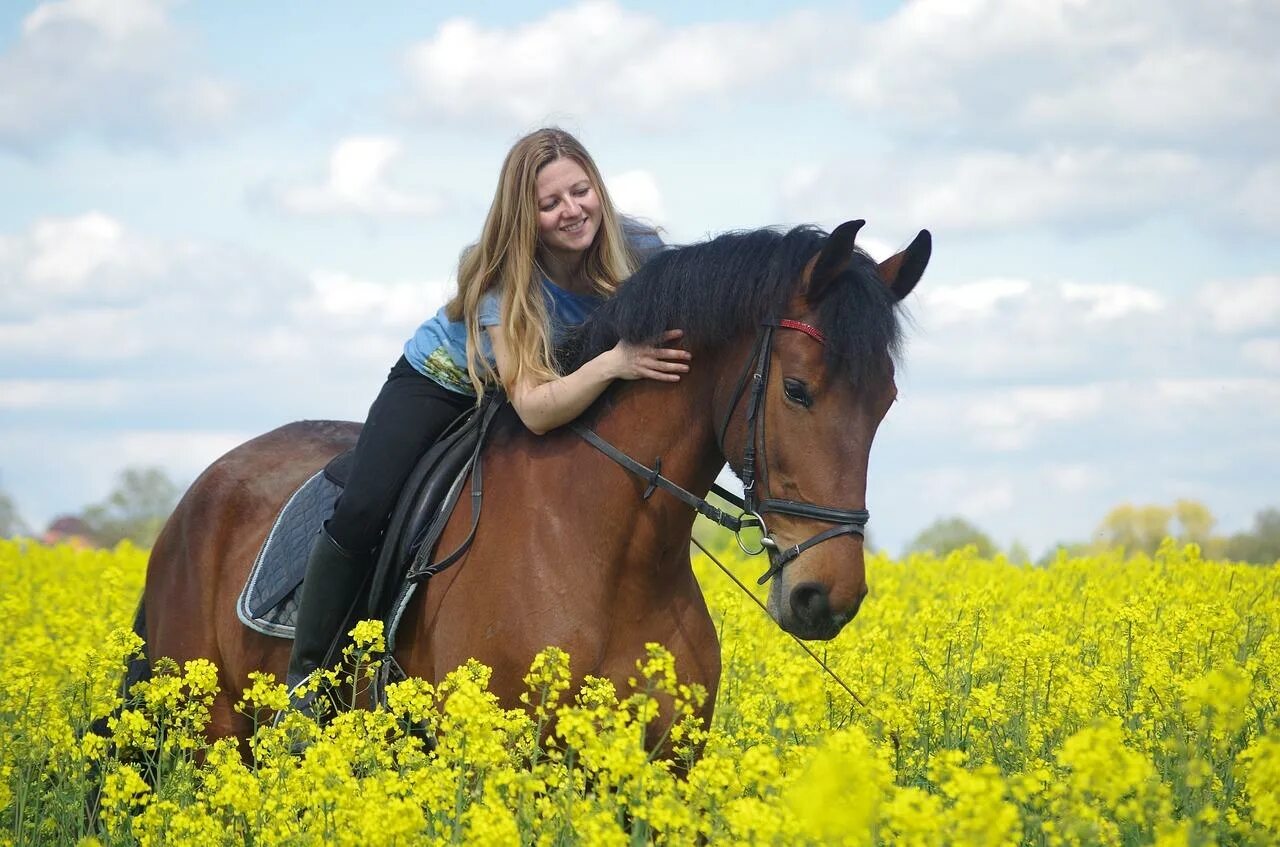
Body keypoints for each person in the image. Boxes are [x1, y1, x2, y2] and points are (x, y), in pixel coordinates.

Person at [284, 127, 691, 713]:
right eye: (551, 204)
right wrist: (617, 362)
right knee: (366, 505)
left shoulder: (639, 247)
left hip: (566, 379)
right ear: (526, 216)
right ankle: (310, 680)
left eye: (580, 191)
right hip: (446, 384)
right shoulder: (506, 279)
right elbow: (533, 406)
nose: (572, 211)